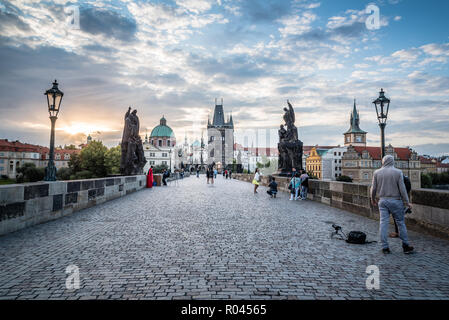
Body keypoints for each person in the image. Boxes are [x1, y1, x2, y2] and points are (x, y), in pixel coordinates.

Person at [371, 155, 414, 254]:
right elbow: (402, 189)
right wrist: (407, 202)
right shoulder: (398, 172)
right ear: (393, 162)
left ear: (383, 162)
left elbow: (373, 188)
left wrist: (372, 199)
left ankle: (385, 247)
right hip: (396, 200)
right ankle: (405, 245)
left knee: (383, 223)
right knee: (400, 223)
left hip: (383, 201)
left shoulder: (376, 172)